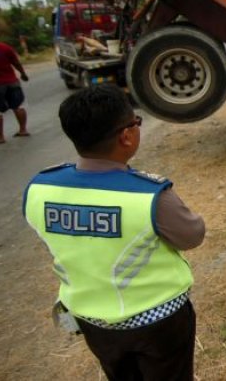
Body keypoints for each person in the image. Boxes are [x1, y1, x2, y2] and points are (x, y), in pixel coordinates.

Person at [23, 85, 205, 380]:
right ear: (126, 135)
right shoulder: (149, 196)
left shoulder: (40, 189)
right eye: (136, 121)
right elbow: (193, 235)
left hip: (93, 321)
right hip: (158, 319)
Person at [0, 40, 30, 143]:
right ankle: (23, 130)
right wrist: (23, 74)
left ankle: (0, 137)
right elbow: (16, 62)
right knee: (18, 106)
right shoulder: (4, 47)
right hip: (12, 81)